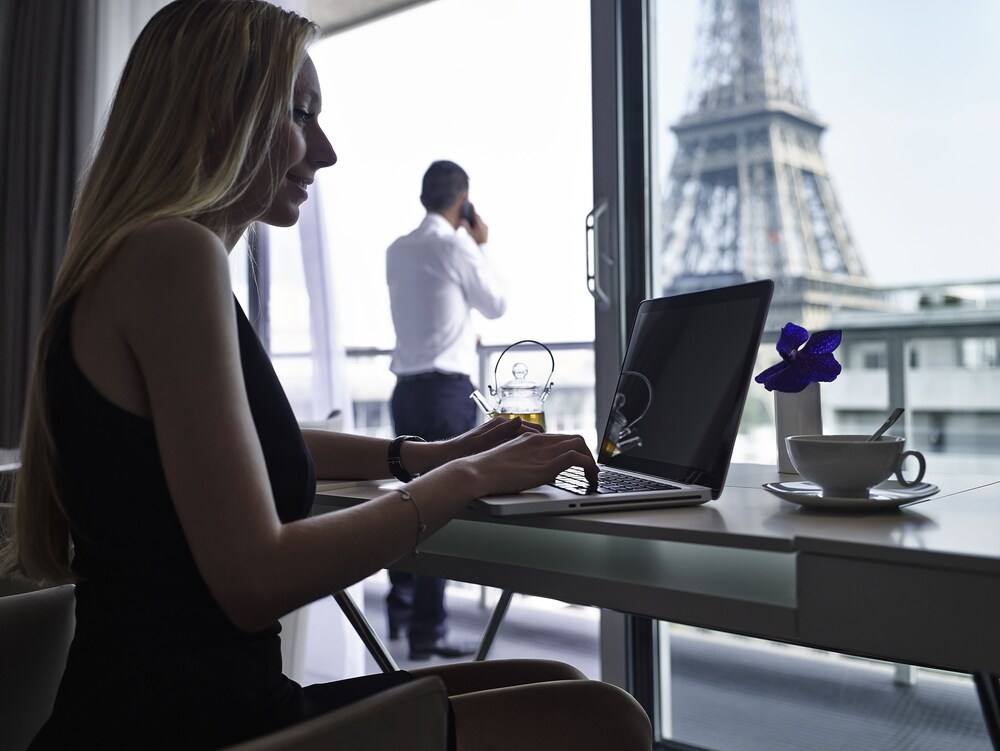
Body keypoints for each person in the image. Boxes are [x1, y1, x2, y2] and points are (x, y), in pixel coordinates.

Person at [0, 1, 652, 749]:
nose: (328, 150)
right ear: (221, 113)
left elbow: (232, 444)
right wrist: (459, 482)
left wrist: (420, 455)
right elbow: (255, 580)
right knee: (604, 720)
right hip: (193, 725)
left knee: (561, 687)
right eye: (302, 114)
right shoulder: (174, 256)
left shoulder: (140, 256)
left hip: (166, 705)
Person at [385, 160, 503, 661]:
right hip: (446, 394)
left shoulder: (399, 248)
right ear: (463, 202)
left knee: (407, 499)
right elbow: (495, 303)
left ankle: (400, 608)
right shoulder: (455, 245)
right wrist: (480, 241)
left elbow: (431, 306)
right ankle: (427, 631)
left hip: (406, 389)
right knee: (437, 510)